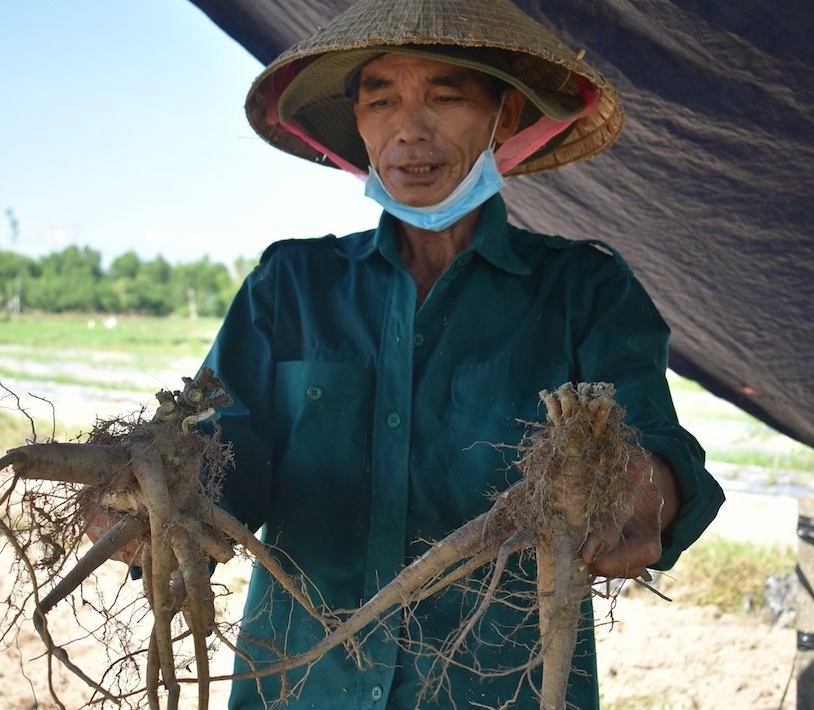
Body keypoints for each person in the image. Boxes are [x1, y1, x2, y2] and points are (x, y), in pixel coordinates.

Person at [99, 0, 724, 706]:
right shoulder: (290, 286)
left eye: (445, 97)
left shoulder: (585, 290)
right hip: (299, 684)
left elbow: (658, 449)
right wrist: (151, 509)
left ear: (506, 117)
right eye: (382, 101)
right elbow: (220, 459)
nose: (409, 132)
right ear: (358, 123)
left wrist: (639, 491)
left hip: (500, 687)